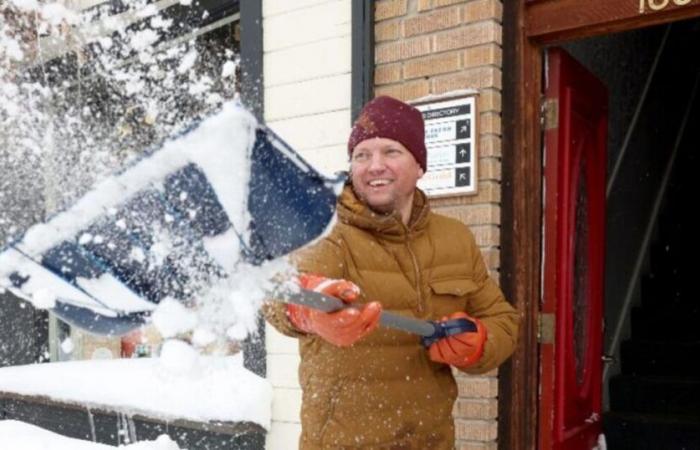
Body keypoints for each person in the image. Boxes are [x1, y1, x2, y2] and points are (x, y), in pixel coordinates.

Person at [265, 95, 519, 450]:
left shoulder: (455, 238)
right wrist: (308, 309)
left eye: (391, 151)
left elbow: (502, 318)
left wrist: (479, 343)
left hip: (432, 441)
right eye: (362, 155)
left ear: (420, 164)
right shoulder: (327, 229)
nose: (374, 165)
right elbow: (278, 293)